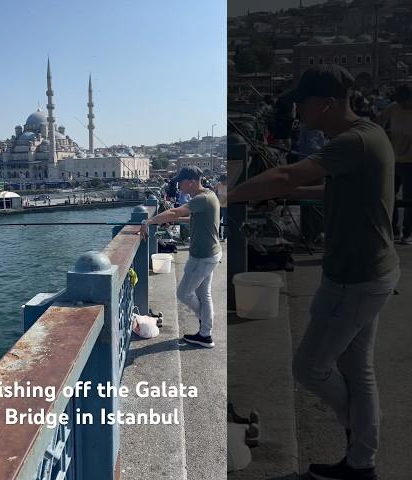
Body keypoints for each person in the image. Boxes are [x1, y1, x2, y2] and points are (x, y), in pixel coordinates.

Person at [229, 64, 400, 480]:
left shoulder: (352, 142)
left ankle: (358, 434)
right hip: (371, 272)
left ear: (325, 104)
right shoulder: (369, 135)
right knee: (356, 369)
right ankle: (361, 462)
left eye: (301, 105)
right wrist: (280, 193)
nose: (297, 115)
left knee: (309, 369)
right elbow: (329, 188)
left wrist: (230, 194)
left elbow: (287, 172)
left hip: (354, 279)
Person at [139, 166, 222, 348]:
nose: (179, 187)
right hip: (210, 253)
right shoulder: (209, 196)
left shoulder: (202, 198)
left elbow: (176, 211)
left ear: (191, 181)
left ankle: (205, 326)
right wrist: (174, 220)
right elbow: (194, 219)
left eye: (181, 183)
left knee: (183, 293)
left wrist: (149, 221)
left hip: (202, 256)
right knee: (203, 294)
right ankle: (205, 334)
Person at [376, 84, 412, 244]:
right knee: (389, 196)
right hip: (393, 158)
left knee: (409, 199)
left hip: (411, 161)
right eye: (400, 102)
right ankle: (393, 230)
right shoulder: (393, 108)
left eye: (406, 102)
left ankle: (408, 233)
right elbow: (378, 124)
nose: (403, 105)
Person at [213, 174, 228, 241]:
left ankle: (225, 236)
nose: (223, 183)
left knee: (225, 222)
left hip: (226, 206)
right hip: (218, 206)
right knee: (217, 221)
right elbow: (213, 191)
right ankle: (218, 235)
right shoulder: (218, 184)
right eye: (222, 181)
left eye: (224, 181)